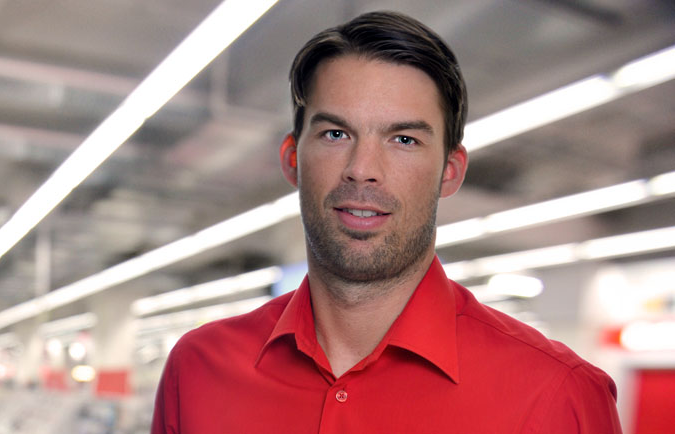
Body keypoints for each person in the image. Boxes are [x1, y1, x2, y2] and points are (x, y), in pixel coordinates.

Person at [152, 11, 622, 433]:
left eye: (404, 140)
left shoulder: (558, 397)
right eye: (336, 133)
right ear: (293, 158)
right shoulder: (196, 371)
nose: (362, 169)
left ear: (450, 171)